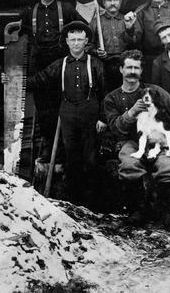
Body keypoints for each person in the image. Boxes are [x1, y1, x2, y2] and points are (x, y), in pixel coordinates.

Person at [103, 49, 170, 231]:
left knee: (167, 168)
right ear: (121, 70)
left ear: (141, 71)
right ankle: (138, 212)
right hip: (131, 142)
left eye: (136, 67)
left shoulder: (155, 91)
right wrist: (132, 111)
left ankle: (167, 214)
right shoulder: (112, 98)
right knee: (128, 165)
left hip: (159, 140)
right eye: (128, 67)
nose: (132, 71)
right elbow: (116, 128)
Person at [27, 21, 106, 207]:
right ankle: (74, 201)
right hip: (68, 113)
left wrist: (102, 117)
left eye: (80, 39)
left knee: (90, 156)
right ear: (67, 42)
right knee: (71, 156)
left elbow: (104, 92)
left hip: (90, 112)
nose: (77, 43)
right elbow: (41, 79)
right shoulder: (60, 64)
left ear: (86, 41)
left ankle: (91, 203)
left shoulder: (95, 64)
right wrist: (16, 80)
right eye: (73, 40)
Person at [19, 0, 86, 161]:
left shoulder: (66, 9)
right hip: (39, 64)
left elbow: (83, 28)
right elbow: (19, 37)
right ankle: (49, 148)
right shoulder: (29, 12)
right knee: (44, 110)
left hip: (63, 61)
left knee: (64, 107)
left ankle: (66, 150)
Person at [90, 0, 135, 92]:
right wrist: (97, 51)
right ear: (104, 3)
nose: (113, 3)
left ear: (120, 2)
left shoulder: (128, 20)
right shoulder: (96, 22)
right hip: (104, 65)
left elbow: (135, 44)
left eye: (116, 0)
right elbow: (87, 45)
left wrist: (130, 29)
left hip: (124, 63)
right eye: (109, 0)